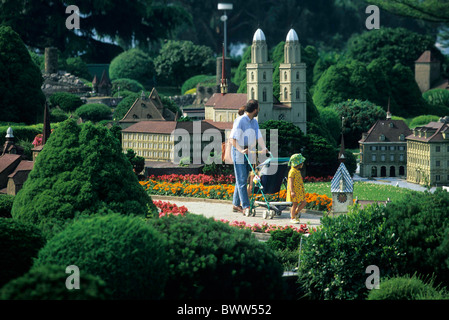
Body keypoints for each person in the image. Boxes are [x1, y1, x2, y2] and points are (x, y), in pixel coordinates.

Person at [229, 99, 268, 216]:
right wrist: (241, 150)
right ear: (255, 109)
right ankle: (246, 206)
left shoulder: (254, 122)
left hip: (248, 151)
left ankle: (236, 205)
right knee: (241, 180)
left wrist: (264, 148)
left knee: (242, 179)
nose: (259, 110)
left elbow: (258, 136)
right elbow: (232, 139)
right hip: (238, 151)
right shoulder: (240, 121)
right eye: (259, 108)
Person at [286, 153, 307, 224]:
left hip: (299, 190)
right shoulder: (292, 171)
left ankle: (295, 212)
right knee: (294, 204)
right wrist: (291, 191)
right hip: (294, 191)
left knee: (304, 202)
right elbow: (290, 182)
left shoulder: (297, 171)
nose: (302, 164)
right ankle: (292, 217)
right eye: (301, 162)